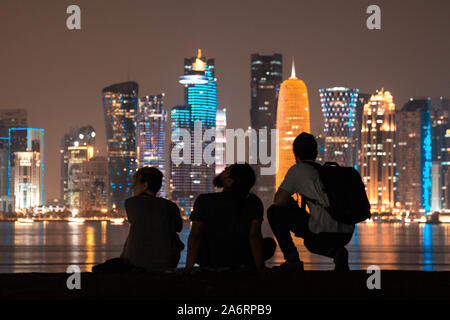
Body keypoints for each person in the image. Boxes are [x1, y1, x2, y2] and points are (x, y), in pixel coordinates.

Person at [268, 132, 354, 272]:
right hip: (346, 234)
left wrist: (291, 200)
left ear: (295, 154)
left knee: (274, 212)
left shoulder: (298, 170)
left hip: (322, 235)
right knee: (314, 235)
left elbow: (278, 201)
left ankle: (292, 260)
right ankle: (337, 252)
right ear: (316, 152)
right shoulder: (328, 172)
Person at [185, 163, 276, 273]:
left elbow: (196, 235)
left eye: (227, 171)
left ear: (230, 182)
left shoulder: (205, 200)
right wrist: (261, 268)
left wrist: (188, 268)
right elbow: (254, 236)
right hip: (242, 258)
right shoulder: (254, 202)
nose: (224, 169)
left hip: (212, 259)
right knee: (269, 244)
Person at [92, 167, 184, 273]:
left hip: (136, 262)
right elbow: (179, 227)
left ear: (145, 185)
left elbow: (137, 219)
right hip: (168, 261)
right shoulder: (171, 206)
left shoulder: (131, 203)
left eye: (135, 185)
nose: (133, 188)